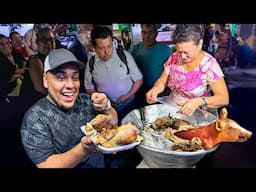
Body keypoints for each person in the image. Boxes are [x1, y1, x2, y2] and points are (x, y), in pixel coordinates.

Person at [20, 48, 118, 168]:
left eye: (75, 78)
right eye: (61, 77)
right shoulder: (35, 118)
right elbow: (46, 164)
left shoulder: (87, 101)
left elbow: (113, 121)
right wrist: (83, 149)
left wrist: (107, 106)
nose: (71, 85)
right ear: (46, 80)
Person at [146, 24, 229, 117]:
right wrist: (156, 89)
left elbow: (224, 98)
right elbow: (162, 80)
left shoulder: (209, 65)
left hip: (198, 116)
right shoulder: (174, 57)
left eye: (186, 52)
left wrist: (198, 102)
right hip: (173, 112)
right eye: (179, 51)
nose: (182, 57)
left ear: (200, 44)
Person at [84, 25, 143, 122]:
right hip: (106, 109)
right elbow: (89, 87)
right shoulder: (91, 63)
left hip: (129, 105)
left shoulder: (124, 56)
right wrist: (103, 100)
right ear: (94, 47)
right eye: (101, 48)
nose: (107, 52)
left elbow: (139, 80)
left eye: (109, 46)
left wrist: (127, 96)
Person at [130, 24, 173, 108]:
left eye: (150, 33)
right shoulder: (135, 49)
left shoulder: (165, 49)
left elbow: (171, 71)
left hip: (158, 91)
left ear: (156, 34)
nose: (147, 36)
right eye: (144, 33)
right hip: (139, 90)